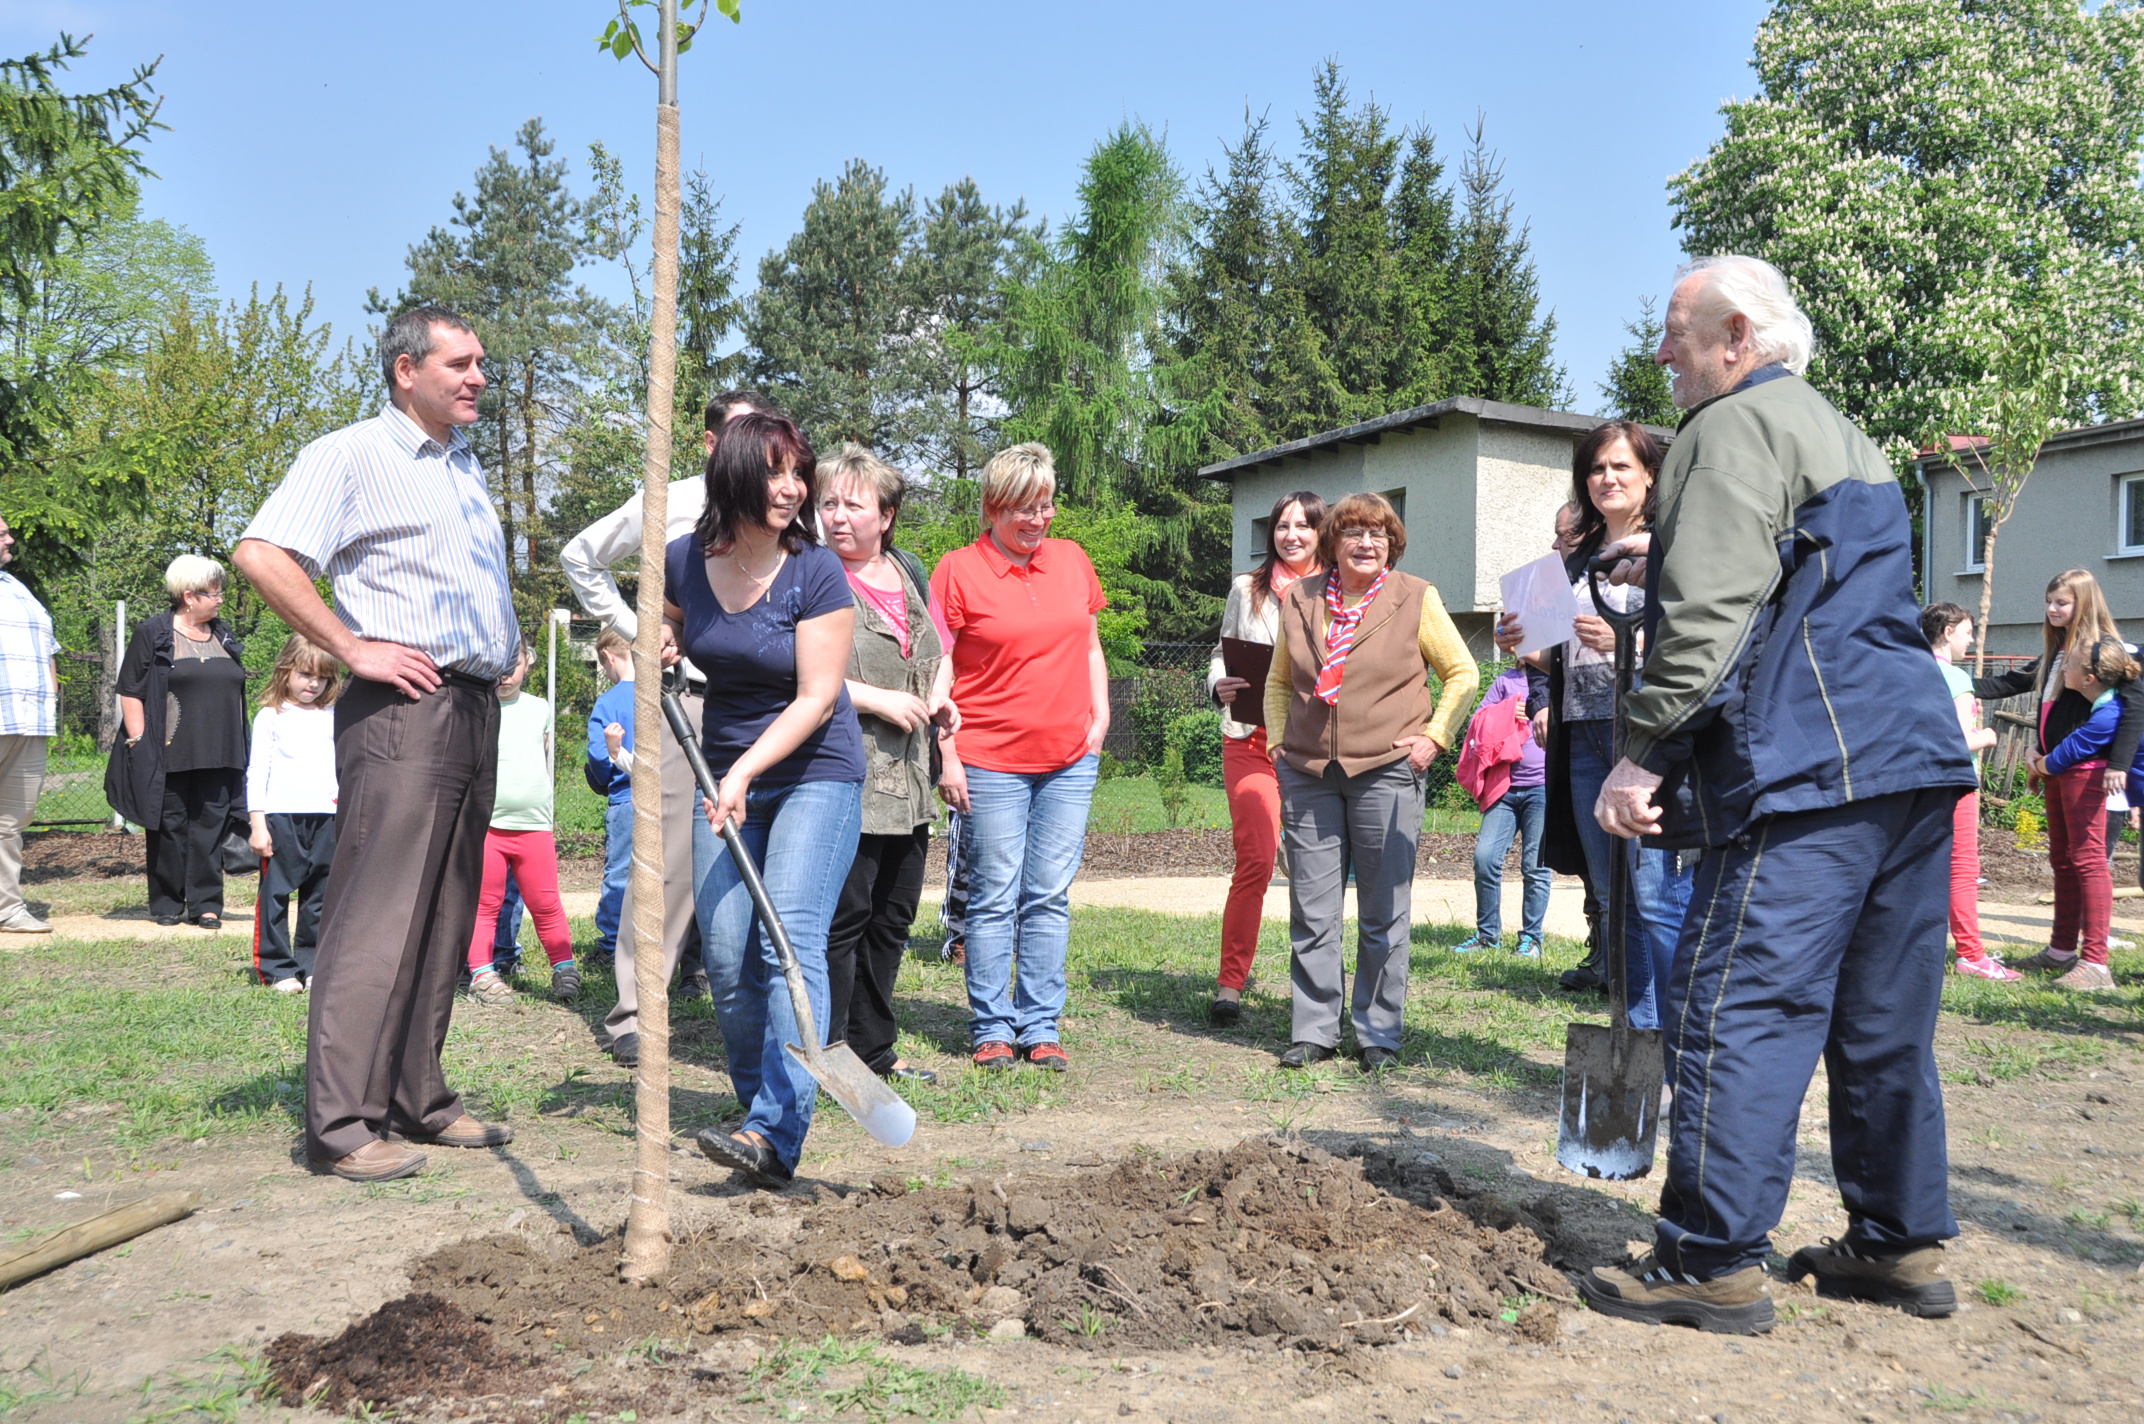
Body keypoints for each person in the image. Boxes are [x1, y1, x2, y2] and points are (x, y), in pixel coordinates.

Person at [1571, 256, 1979, 1333]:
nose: (1661, 352)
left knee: (1735, 1003)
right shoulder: (1843, 435)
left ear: (1734, 334)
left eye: (1673, 330)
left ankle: (1708, 1257)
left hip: (1808, 770)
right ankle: (1897, 1241)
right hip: (1911, 757)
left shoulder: (1726, 428)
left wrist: (1640, 752)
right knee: (1882, 1016)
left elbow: (1710, 615)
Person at [233, 304, 522, 1185]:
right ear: (406, 369)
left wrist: (502, 658)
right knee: (377, 914)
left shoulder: (464, 467)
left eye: (480, 363)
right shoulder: (352, 454)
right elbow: (261, 553)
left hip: (472, 707)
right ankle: (342, 1122)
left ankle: (417, 1097)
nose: (478, 377)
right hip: (401, 712)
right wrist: (353, 648)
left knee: (444, 913)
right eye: (459, 364)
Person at [665, 411, 864, 1190]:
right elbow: (676, 626)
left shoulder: (816, 571)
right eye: (776, 471)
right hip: (724, 773)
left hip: (814, 770)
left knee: (791, 939)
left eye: (798, 473)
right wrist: (667, 640)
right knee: (723, 950)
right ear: (737, 475)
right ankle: (760, 1117)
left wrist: (745, 770)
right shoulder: (685, 560)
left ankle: (774, 1128)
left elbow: (818, 698)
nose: (792, 488)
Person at [566, 389, 777, 1068]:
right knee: (666, 863)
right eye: (740, 435)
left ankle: (743, 1000)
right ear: (712, 444)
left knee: (761, 854)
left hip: (765, 707)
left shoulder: (785, 505)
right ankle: (634, 1010)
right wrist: (637, 629)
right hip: (688, 702)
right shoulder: (672, 501)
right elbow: (580, 555)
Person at [1263, 492, 1476, 1072]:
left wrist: (1434, 736)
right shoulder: (1299, 598)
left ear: (1392, 543)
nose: (1365, 542)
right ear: (1332, 541)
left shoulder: (1416, 596)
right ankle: (1314, 1030)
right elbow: (1279, 681)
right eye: (1353, 531)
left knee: (1384, 909)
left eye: (1378, 534)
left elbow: (1462, 672)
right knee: (1312, 907)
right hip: (1309, 774)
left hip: (1387, 769)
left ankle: (1378, 1032)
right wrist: (1279, 742)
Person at [1497, 422, 1693, 1030]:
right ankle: (1635, 1029)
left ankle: (1678, 1028)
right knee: (1611, 895)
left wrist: (1627, 641)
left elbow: (1702, 648)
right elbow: (1554, 656)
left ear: (1650, 476)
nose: (1607, 478)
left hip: (1646, 737)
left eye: (1621, 467)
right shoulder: (1572, 564)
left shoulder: (1674, 552)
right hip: (1582, 734)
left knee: (1654, 892)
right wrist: (1522, 644)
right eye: (1596, 469)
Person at [932, 443, 1110, 1074]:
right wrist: (946, 752)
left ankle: (1040, 1025)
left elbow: (1089, 645)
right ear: (992, 507)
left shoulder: (1072, 561)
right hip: (989, 759)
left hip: (1069, 759)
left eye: (1047, 505)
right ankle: (992, 1028)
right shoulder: (956, 570)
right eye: (1024, 510)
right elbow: (938, 668)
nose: (1039, 520)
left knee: (1048, 896)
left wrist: (1100, 717)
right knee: (993, 897)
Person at [817, 444, 953, 1085]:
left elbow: (938, 650)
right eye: (828, 503)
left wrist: (939, 699)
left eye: (852, 504)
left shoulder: (907, 569)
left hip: (910, 780)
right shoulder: (812, 574)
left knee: (893, 916)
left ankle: (874, 1048)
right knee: (844, 917)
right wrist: (880, 699)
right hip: (845, 774)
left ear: (887, 515)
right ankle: (831, 1048)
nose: (836, 516)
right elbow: (797, 679)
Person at [1965, 569, 2144, 985]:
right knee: (2063, 861)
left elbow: (2135, 710)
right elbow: (2009, 682)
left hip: (2089, 772)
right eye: (2049, 601)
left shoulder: (2105, 652)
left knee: (2089, 861)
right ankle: (2062, 950)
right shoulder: (2059, 653)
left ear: (2083, 602)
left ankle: (2095, 963)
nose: (2051, 609)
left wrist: (2118, 764)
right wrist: (1951, 682)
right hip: (2056, 770)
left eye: (2061, 602)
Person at [1205, 490, 1327, 1024]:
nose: (1291, 534)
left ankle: (1316, 991)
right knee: (1255, 859)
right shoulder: (1244, 590)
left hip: (1309, 746)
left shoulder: (1340, 592)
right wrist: (1218, 684)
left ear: (1321, 533)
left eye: (1303, 525)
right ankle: (1230, 984)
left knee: (1311, 870)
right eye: (1282, 525)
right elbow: (1219, 652)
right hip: (1250, 742)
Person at [115, 556, 248, 931]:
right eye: (214, 593)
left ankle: (206, 905)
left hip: (221, 750)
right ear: (189, 596)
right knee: (169, 826)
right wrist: (139, 738)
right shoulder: (154, 633)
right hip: (168, 748)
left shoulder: (223, 635)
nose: (220, 599)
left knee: (211, 827)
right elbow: (131, 689)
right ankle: (168, 902)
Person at [465, 643, 581, 1006]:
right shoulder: (477, 706)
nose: (504, 673)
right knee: (485, 904)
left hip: (534, 825)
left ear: (527, 662)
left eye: (512, 664)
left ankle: (564, 968)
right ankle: (482, 974)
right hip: (488, 826)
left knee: (546, 902)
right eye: (496, 664)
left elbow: (542, 754)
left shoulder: (539, 708)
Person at [1919, 603, 2016, 981]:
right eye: (1967, 632)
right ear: (1947, 632)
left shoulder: (1913, 672)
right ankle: (1972, 954)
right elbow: (1958, 740)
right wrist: (1988, 736)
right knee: (1962, 869)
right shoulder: (1956, 679)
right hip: (1956, 784)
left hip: (1919, 784)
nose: (1971, 639)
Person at [245, 634, 342, 991]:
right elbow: (257, 773)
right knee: (276, 894)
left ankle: (312, 961)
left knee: (319, 896)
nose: (313, 684)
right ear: (286, 670)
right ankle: (277, 968)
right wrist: (258, 824)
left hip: (328, 819)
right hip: (281, 818)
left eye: (323, 677)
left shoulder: (335, 716)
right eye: (305, 674)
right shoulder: (271, 716)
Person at [1453, 661, 1552, 957]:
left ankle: (1532, 938)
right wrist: (1508, 710)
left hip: (1543, 788)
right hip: (1504, 789)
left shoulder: (1556, 682)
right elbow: (1477, 723)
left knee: (1535, 867)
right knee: (1485, 859)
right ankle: (1487, 936)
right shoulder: (1505, 682)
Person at [0, 514, 56, 936]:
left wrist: (51, 699)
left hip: (29, 721)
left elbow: (48, 648)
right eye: (1, 533)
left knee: (12, 820)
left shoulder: (17, 588)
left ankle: (8, 909)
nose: (10, 538)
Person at [587, 627, 636, 964]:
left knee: (619, 874)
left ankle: (611, 948)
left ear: (608, 656)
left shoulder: (608, 702)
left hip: (625, 801)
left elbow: (600, 764)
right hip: (670, 799)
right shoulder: (665, 693)